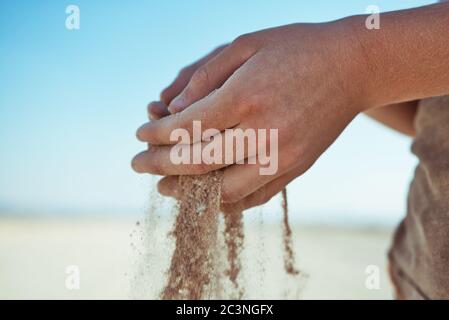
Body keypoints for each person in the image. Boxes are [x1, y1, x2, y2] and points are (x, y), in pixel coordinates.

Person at [132, 2, 449, 299]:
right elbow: (427, 116)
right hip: (416, 271)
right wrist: (259, 79)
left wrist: (348, 66)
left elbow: (355, 74)